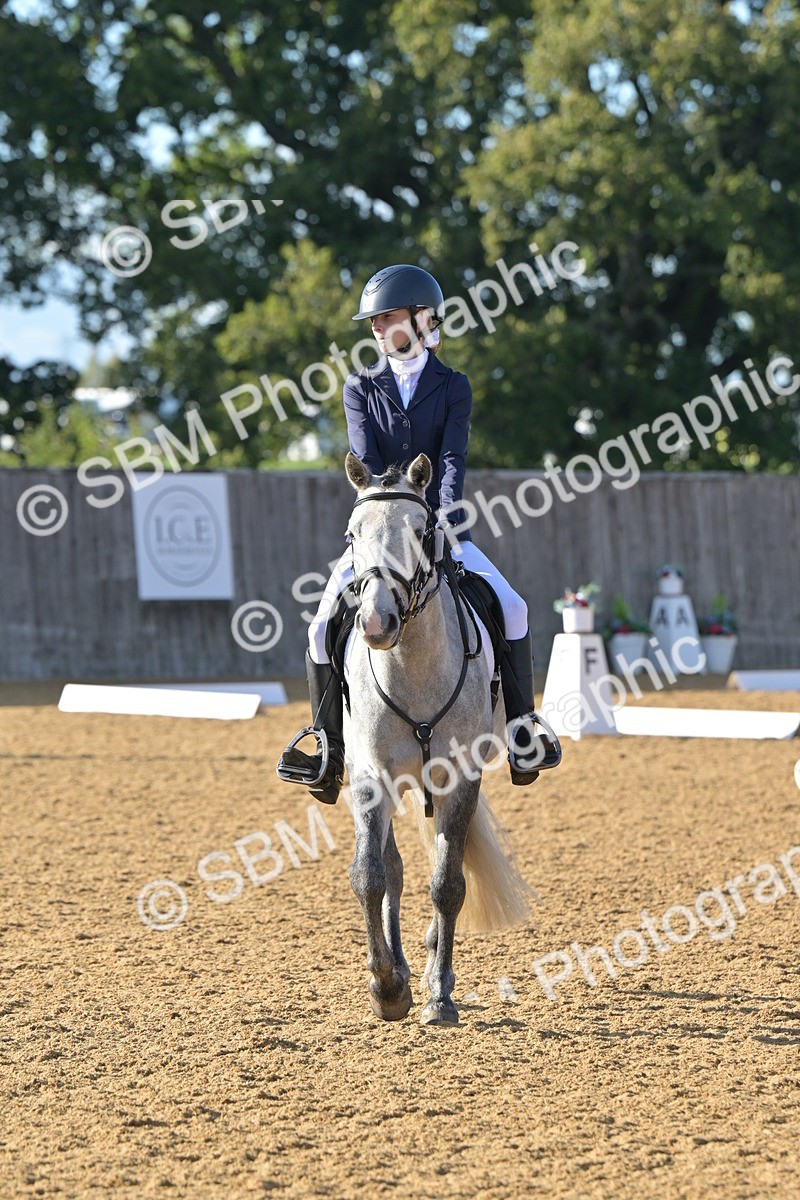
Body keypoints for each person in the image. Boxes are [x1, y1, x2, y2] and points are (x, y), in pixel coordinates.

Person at [277, 263, 560, 805]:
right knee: (319, 629)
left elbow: (452, 456)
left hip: (441, 524)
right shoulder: (360, 387)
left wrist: (444, 512)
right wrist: (389, 513)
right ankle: (328, 747)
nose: (380, 329)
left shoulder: (453, 386)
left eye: (389, 317)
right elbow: (365, 460)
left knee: (515, 607)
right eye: (375, 321)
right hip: (383, 529)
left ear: (424, 319)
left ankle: (523, 731)